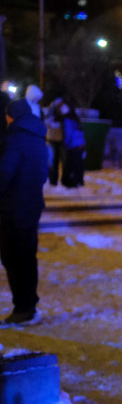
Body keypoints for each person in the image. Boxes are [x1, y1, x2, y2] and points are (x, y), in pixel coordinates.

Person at [0, 99, 49, 326]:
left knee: (14, 257)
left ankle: (23, 308)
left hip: (13, 208)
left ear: (13, 116)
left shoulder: (15, 140)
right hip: (32, 205)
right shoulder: (39, 140)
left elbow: (4, 174)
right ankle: (29, 305)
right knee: (27, 257)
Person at [59, 100, 87, 188]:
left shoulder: (67, 120)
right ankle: (79, 181)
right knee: (78, 164)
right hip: (80, 144)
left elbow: (68, 133)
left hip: (73, 145)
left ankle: (69, 182)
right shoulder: (75, 118)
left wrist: (66, 144)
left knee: (69, 165)